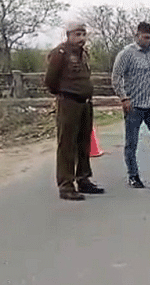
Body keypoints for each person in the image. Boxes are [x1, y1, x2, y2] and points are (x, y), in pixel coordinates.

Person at [44, 21, 105, 201]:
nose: (81, 38)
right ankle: (66, 185)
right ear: (68, 35)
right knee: (67, 144)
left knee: (83, 142)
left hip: (85, 103)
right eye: (77, 35)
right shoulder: (60, 53)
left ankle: (83, 179)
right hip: (69, 102)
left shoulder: (83, 54)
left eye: (83, 34)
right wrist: (63, 94)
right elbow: (50, 80)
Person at [111, 22, 150, 191]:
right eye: (145, 38)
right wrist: (124, 98)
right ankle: (133, 174)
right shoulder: (126, 54)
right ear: (137, 36)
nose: (148, 41)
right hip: (134, 105)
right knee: (132, 142)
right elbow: (116, 77)